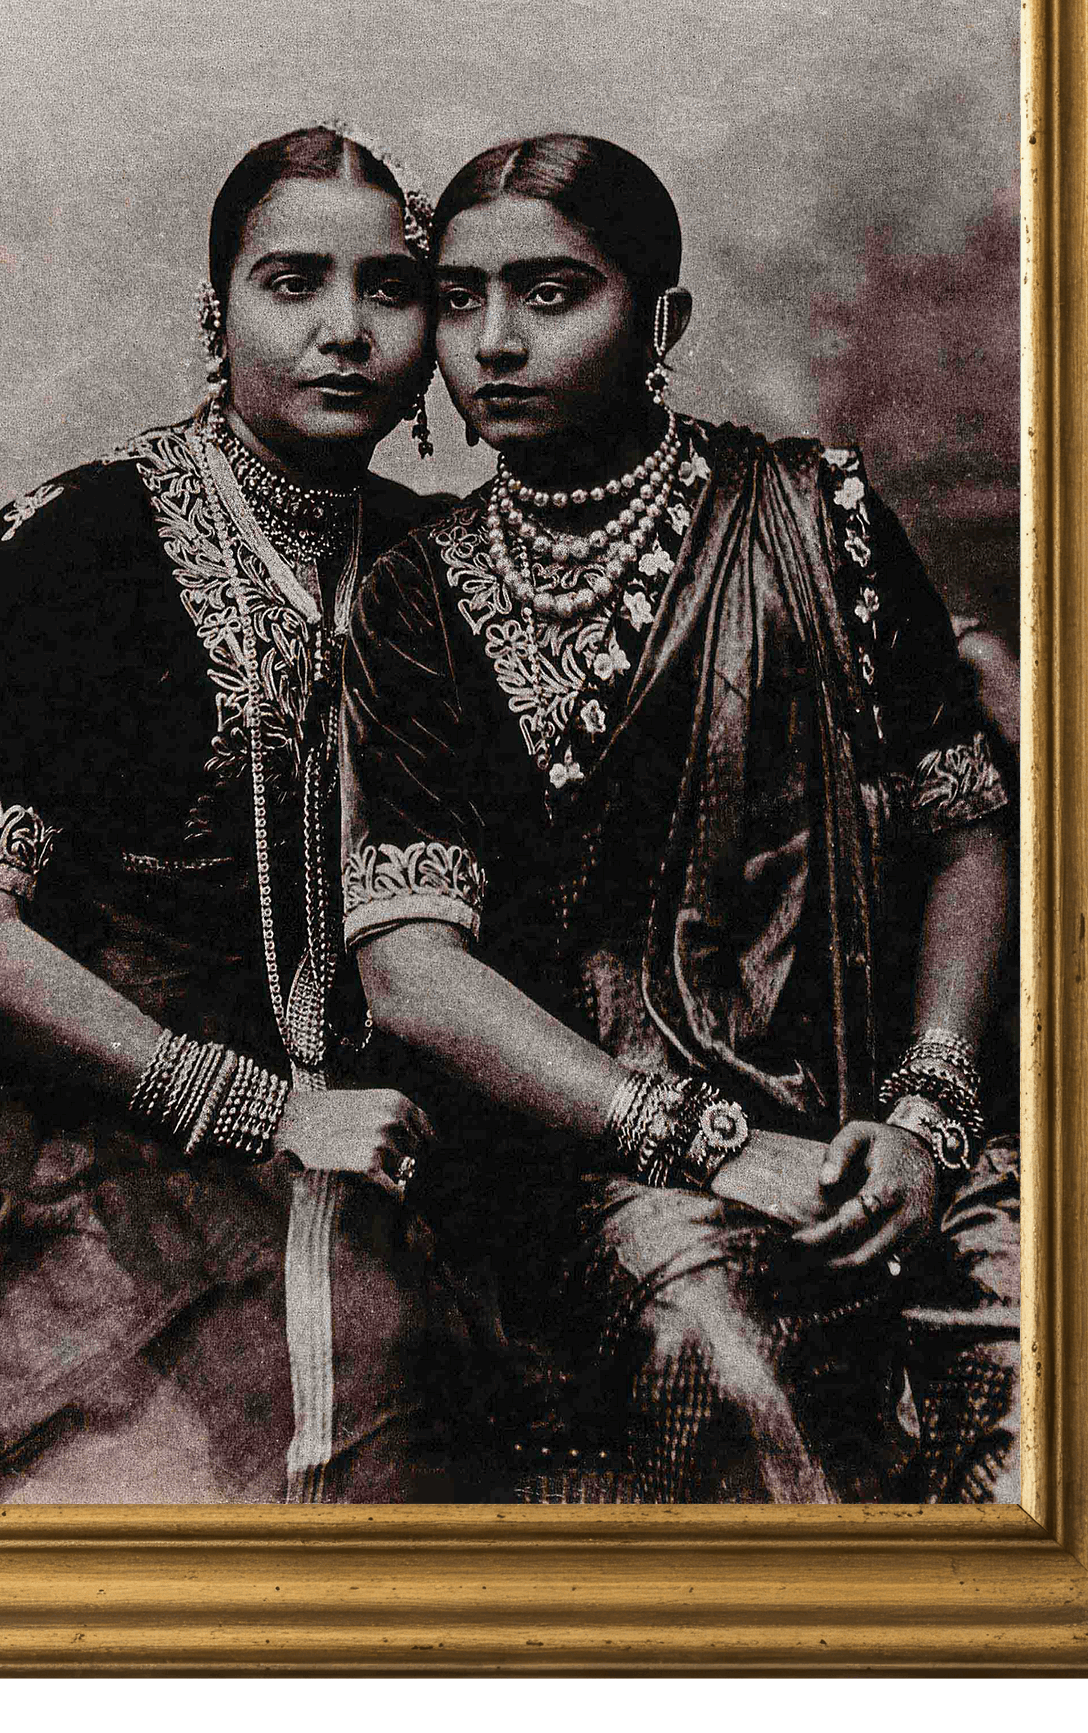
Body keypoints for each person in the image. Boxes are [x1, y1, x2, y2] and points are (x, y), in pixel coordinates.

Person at [338, 134, 1019, 1504]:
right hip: (598, 1172)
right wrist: (706, 1144)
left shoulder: (816, 515)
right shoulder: (417, 595)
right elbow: (413, 971)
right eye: (459, 298)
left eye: (549, 293)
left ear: (662, 322)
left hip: (884, 1133)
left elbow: (962, 828)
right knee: (718, 1348)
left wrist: (930, 1110)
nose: (493, 345)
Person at [0, 124, 475, 1504]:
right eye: (295, 284)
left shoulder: (431, 563)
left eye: (389, 289)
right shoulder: (77, 544)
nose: (346, 331)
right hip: (76, 1144)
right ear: (218, 321)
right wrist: (262, 1109)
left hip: (375, 1129)